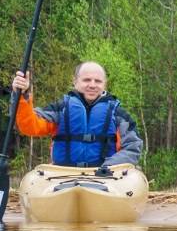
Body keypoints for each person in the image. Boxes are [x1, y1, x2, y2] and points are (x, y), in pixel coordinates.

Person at [11, 62, 143, 168]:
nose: (92, 85)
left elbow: (133, 147)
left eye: (98, 81)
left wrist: (109, 167)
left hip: (105, 177)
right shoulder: (60, 109)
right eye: (86, 80)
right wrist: (22, 96)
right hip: (64, 175)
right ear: (75, 82)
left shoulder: (119, 115)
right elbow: (29, 126)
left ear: (105, 84)